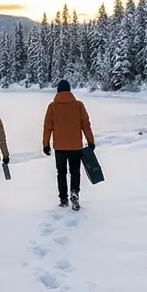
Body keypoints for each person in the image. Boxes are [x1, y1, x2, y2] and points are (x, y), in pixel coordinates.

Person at [43, 79, 95, 209]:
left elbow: (48, 127)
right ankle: (74, 193)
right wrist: (90, 141)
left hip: (60, 147)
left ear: (58, 91)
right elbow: (86, 124)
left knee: (61, 173)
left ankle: (63, 199)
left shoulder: (52, 107)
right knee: (75, 172)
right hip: (75, 146)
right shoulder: (78, 106)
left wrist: (45, 144)